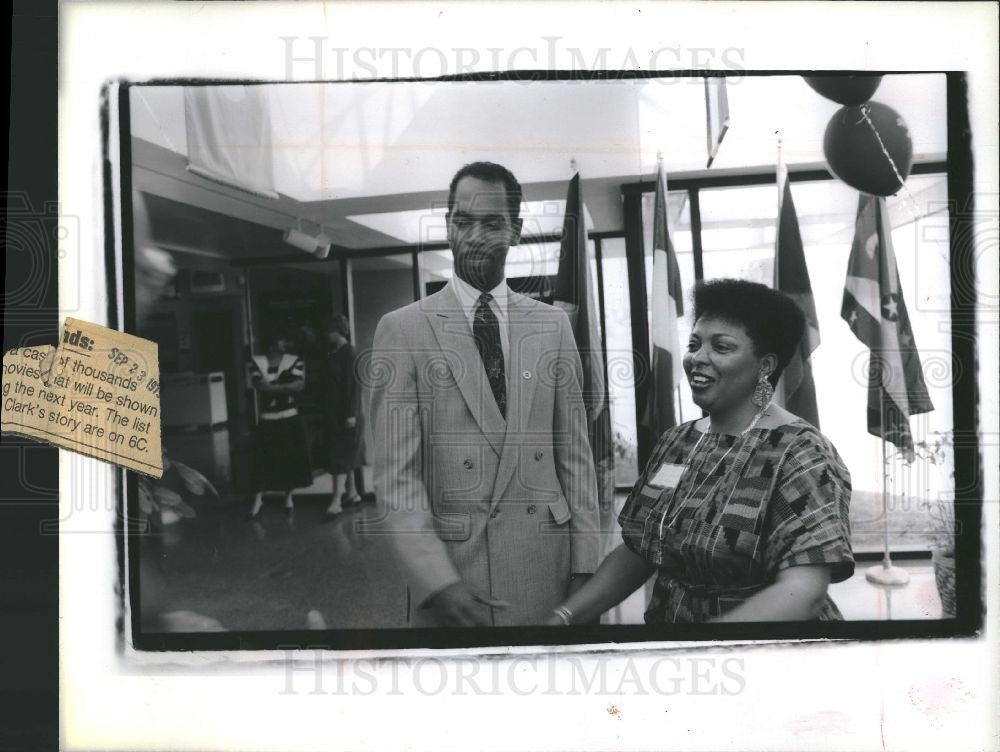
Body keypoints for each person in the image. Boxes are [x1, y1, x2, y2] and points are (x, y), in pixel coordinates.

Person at [366, 161, 601, 627]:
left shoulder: (552, 325)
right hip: (455, 575)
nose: (475, 236)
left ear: (515, 232)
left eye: (492, 223)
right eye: (462, 221)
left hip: (544, 570)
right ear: (448, 227)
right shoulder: (403, 329)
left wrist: (585, 567)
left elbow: (575, 459)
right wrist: (439, 582)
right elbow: (397, 480)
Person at [546, 279, 854, 625]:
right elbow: (640, 552)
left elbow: (804, 591)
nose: (696, 358)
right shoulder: (676, 442)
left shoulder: (800, 452)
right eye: (694, 344)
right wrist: (565, 616)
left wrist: (705, 647)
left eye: (721, 347)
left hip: (765, 656)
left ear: (765, 366)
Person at [246, 329, 314, 518]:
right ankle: (258, 500)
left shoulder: (294, 359)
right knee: (262, 462)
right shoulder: (256, 361)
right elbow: (260, 387)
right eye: (281, 341)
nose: (285, 344)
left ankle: (288, 497)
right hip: (268, 419)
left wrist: (273, 387)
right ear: (272, 344)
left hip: (289, 417)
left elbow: (299, 385)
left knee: (289, 460)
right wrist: (285, 387)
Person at [321, 313, 363, 518]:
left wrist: (351, 414)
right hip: (336, 412)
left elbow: (354, 386)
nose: (326, 336)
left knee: (340, 454)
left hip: (345, 413)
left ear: (337, 331)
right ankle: (352, 493)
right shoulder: (335, 352)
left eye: (328, 332)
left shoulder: (349, 353)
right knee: (345, 453)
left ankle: (336, 500)